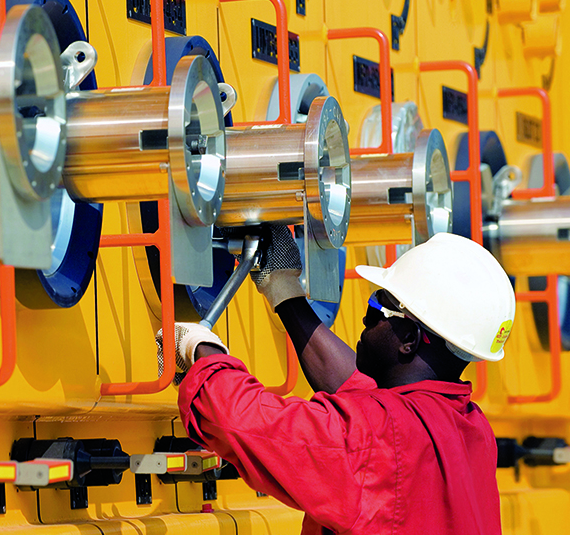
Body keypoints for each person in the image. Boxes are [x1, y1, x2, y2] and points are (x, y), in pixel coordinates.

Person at [160, 228, 515, 534]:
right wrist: (283, 289)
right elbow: (362, 394)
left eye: (379, 304)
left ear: (409, 337)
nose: (365, 316)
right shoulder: (469, 428)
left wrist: (200, 351)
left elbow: (245, 424)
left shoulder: (377, 439)